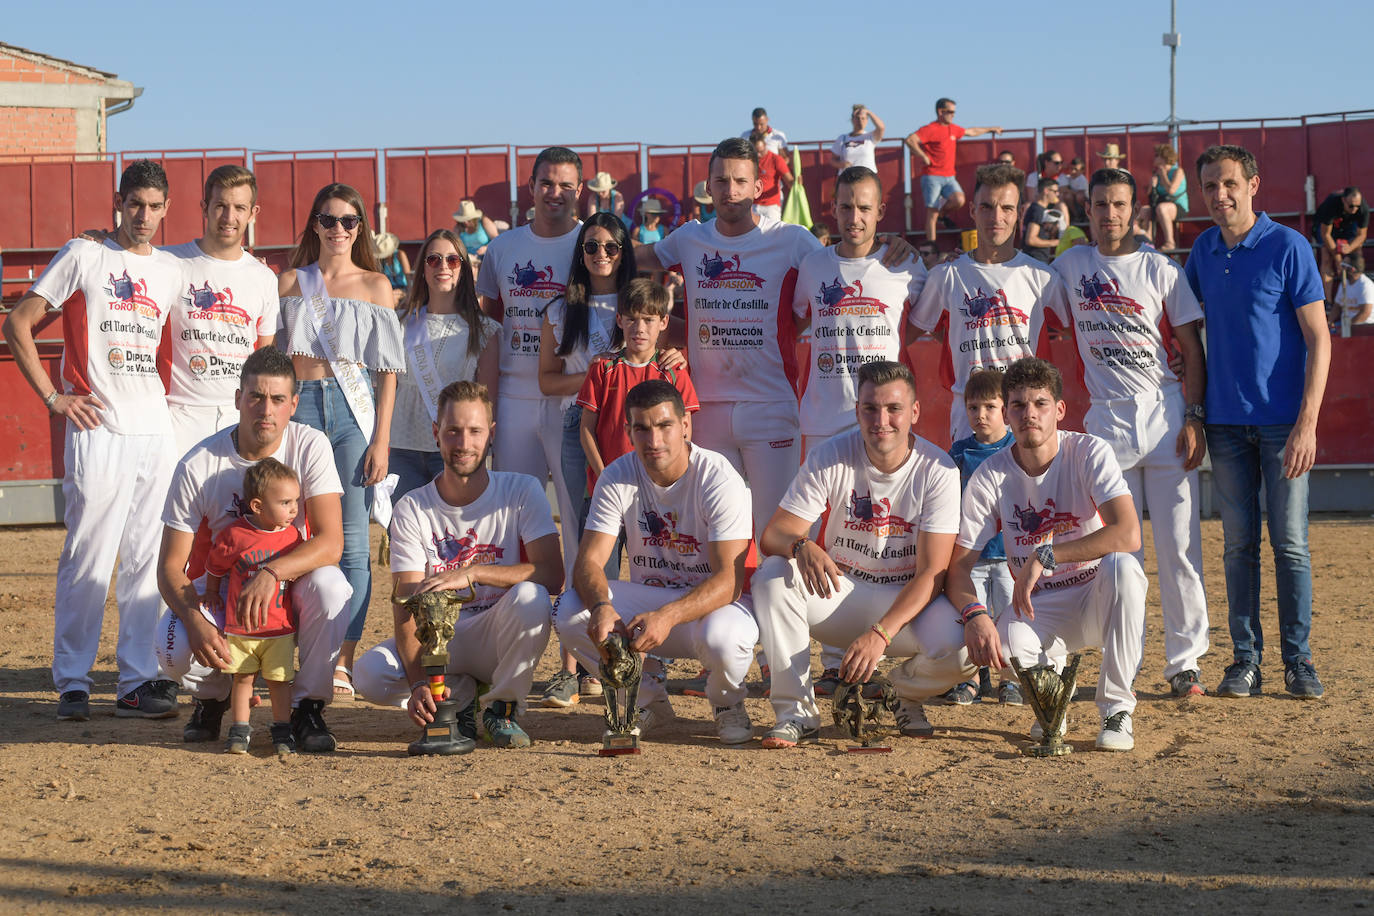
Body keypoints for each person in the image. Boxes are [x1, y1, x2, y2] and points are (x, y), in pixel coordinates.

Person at [3, 159, 185, 722]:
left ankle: (135, 680)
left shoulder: (173, 270)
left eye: (155, 207)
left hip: (156, 430)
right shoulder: (83, 255)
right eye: (136, 204)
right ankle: (73, 681)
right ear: (118, 201)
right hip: (96, 427)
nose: (145, 216)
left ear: (167, 208)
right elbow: (17, 321)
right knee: (88, 556)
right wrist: (54, 400)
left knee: (144, 560)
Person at [750, 360, 973, 746]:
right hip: (839, 594)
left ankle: (901, 693)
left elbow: (933, 573)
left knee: (966, 647)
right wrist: (801, 545)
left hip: (904, 605)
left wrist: (880, 634)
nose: (881, 420)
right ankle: (796, 712)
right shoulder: (830, 454)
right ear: (857, 411)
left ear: (914, 412)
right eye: (870, 408)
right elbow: (774, 534)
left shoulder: (938, 469)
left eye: (893, 409)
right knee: (772, 575)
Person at [1054, 166, 1211, 697]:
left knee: (1179, 547)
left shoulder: (1161, 270)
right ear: (1089, 210)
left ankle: (1185, 662)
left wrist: (1194, 416)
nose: (1111, 214)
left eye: (1120, 204)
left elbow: (1191, 349)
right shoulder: (1069, 266)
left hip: (1165, 417)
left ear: (1136, 211)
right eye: (1101, 204)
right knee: (1116, 555)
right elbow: (1019, 281)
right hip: (1106, 424)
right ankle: (1116, 663)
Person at [1184, 144, 1331, 700]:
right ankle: (1245, 661)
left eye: (1227, 184)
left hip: (1282, 426)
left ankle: (1299, 661)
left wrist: (1307, 423)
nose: (1218, 195)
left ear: (1252, 185)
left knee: (1290, 544)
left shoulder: (1288, 246)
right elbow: (1181, 329)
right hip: (1224, 425)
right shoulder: (1201, 250)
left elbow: (1320, 340)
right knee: (1239, 546)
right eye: (1209, 187)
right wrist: (1196, 414)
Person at [157, 346, 350, 752]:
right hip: (224, 588)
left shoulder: (310, 445)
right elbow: (170, 567)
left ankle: (306, 707)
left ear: (293, 404)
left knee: (333, 588)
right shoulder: (199, 464)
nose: (267, 409)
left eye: (278, 399)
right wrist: (195, 619)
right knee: (171, 643)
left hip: (287, 585)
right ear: (238, 399)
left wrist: (272, 572)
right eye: (256, 397)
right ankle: (212, 698)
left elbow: (332, 543)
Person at [948, 357, 1146, 751]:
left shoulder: (1088, 451)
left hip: (1095, 594)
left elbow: (1128, 533)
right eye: (1018, 405)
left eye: (1040, 403)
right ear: (1007, 413)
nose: (1029, 415)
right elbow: (958, 566)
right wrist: (976, 615)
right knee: (1001, 642)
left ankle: (1116, 709)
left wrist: (1049, 553)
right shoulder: (991, 474)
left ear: (1059, 410)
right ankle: (1053, 704)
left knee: (1124, 568)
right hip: (1038, 605)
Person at [353, 381, 561, 749]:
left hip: (498, 634)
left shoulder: (521, 490)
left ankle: (502, 708)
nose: (463, 443)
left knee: (532, 597)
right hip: (441, 641)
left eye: (474, 431)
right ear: (436, 433)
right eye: (452, 431)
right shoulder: (413, 507)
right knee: (368, 675)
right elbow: (405, 607)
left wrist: (473, 572)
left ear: (491, 434)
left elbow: (551, 574)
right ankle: (457, 698)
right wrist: (418, 682)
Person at [553, 380, 759, 745]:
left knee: (723, 638)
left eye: (664, 426)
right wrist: (601, 606)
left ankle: (727, 703)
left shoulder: (717, 476)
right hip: (650, 607)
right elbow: (589, 561)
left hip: (713, 608)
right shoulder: (618, 474)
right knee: (571, 609)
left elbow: (730, 581)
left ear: (685, 426)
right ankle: (647, 700)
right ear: (628, 431)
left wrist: (668, 616)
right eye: (642, 429)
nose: (654, 441)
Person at [278, 184, 402, 699]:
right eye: (327, 219)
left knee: (352, 539)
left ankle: (339, 660)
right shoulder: (290, 282)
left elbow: (388, 371)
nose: (338, 230)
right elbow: (275, 358)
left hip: (353, 417)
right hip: (300, 405)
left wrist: (382, 438)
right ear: (313, 224)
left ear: (361, 229)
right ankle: (284, 644)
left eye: (349, 221)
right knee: (292, 529)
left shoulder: (376, 286)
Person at [536, 213, 639, 707]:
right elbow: (547, 381)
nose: (601, 255)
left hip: (633, 428)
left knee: (638, 537)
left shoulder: (638, 304)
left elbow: (664, 350)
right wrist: (601, 381)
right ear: (580, 253)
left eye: (611, 247)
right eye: (591, 247)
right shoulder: (560, 310)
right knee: (582, 537)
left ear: (624, 251)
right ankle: (573, 666)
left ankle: (634, 653)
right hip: (577, 429)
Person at [475, 147, 583, 568]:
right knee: (511, 511)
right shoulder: (503, 248)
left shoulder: (592, 244)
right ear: (532, 186)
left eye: (565, 185)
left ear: (580, 190)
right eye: (546, 183)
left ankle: (579, 607)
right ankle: (511, 607)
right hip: (514, 398)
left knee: (577, 513)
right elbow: (491, 327)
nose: (555, 192)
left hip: (571, 400)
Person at [907, 163, 1068, 444]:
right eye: (987, 207)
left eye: (1007, 208)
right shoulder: (947, 275)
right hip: (970, 421)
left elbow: (1076, 331)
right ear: (972, 210)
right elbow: (914, 331)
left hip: (1029, 416)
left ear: (1018, 213)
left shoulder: (1042, 277)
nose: (997, 217)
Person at [794, 167, 927, 452]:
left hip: (886, 417)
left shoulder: (907, 265)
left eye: (864, 208)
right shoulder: (812, 266)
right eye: (846, 207)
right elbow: (793, 324)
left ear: (880, 211)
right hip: (824, 419)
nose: (855, 218)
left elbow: (922, 326)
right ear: (833, 209)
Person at [163, 164, 279, 456]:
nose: (229, 217)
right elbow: (124, 256)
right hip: (179, 417)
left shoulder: (264, 277)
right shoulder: (168, 263)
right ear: (204, 208)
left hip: (239, 416)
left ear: (253, 213)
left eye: (239, 207)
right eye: (220, 206)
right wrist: (102, 238)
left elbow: (264, 358)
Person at [390, 229, 500, 503]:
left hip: (457, 450)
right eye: (433, 259)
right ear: (423, 269)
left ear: (464, 268)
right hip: (403, 449)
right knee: (405, 538)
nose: (443, 266)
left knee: (453, 535)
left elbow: (488, 402)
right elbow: (386, 387)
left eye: (452, 260)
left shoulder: (484, 330)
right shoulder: (399, 322)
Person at [203, 457, 303, 755]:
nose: (294, 509)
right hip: (242, 628)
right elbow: (216, 567)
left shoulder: (293, 537)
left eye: (296, 500)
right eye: (285, 502)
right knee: (242, 678)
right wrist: (211, 593)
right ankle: (239, 730)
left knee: (280, 681)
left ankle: (283, 730)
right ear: (258, 506)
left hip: (278, 628)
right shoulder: (234, 535)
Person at [943, 369, 1019, 706]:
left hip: (1009, 556)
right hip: (969, 558)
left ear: (1005, 408)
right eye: (973, 408)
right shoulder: (959, 453)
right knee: (971, 618)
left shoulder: (1018, 448)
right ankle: (971, 680)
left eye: (989, 406)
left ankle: (1010, 680)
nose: (980, 415)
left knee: (1009, 617)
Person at [577, 278, 700, 487]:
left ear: (663, 322)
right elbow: (586, 430)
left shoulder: (674, 371)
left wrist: (667, 480)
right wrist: (605, 475)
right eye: (632, 319)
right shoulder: (603, 368)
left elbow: (685, 432)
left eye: (648, 319)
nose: (639, 328)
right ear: (619, 320)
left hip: (659, 485)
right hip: (610, 484)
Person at [905, 98, 1003, 242]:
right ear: (940, 112)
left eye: (954, 112)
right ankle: (931, 247)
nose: (953, 115)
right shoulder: (930, 129)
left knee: (959, 199)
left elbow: (971, 131)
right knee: (931, 212)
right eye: (950, 112)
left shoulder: (953, 128)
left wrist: (991, 129)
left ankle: (942, 215)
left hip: (949, 176)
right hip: (932, 176)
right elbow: (910, 140)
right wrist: (923, 156)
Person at [1313, 187, 1368, 303]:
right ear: (1343, 200)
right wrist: (1338, 259)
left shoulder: (1362, 208)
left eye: (1357, 206)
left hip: (1348, 226)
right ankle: (1327, 301)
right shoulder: (1331, 204)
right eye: (1351, 206)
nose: (1355, 209)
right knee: (1326, 257)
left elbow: (1361, 236)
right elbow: (1326, 234)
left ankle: (1359, 296)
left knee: (1357, 255)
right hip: (1327, 227)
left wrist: (1349, 248)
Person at [1135, 145, 1188, 252]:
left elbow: (1171, 190)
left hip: (1177, 206)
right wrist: (1152, 185)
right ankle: (1147, 241)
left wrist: (1163, 175)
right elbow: (1150, 195)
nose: (1154, 158)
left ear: (1164, 157)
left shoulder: (1178, 171)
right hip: (1160, 206)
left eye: (1156, 156)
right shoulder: (1157, 174)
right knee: (1145, 210)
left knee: (1162, 208)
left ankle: (1170, 242)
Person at [752, 130, 794, 222]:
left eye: (761, 151)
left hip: (771, 206)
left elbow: (790, 181)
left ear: (765, 145)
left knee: (773, 234)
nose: (758, 155)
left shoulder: (776, 159)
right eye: (756, 152)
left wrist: (797, 186)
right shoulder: (749, 161)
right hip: (753, 205)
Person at [830, 105, 886, 174]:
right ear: (852, 120)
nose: (860, 121)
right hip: (848, 178)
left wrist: (868, 112)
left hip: (867, 177)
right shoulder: (843, 138)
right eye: (857, 118)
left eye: (863, 118)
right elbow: (832, 160)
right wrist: (842, 164)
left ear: (867, 120)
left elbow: (881, 128)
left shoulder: (870, 136)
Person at [1021, 177, 1062, 264]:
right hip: (1035, 259)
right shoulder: (1038, 211)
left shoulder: (1038, 209)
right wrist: (1054, 242)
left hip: (1036, 259)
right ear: (1046, 191)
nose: (1057, 194)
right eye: (1055, 191)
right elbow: (1031, 239)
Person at [1334, 254, 1374, 334]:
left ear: (1352, 269)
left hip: (1364, 327)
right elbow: (1336, 306)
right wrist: (1329, 322)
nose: (1341, 268)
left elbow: (1365, 313)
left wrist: (1346, 327)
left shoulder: (1366, 285)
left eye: (1343, 265)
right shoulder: (1344, 284)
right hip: (1347, 325)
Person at [375, 231, 411, 306]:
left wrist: (410, 292)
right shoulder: (382, 260)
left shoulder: (400, 255)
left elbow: (408, 275)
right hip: (388, 289)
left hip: (403, 288)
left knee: (391, 297)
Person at [1057, 156, 1089, 222]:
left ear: (1082, 171)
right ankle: (1076, 216)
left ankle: (1086, 214)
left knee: (1079, 196)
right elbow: (1062, 189)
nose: (1073, 171)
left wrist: (1067, 190)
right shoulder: (1068, 177)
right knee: (1067, 196)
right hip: (1074, 203)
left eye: (1076, 169)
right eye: (1071, 169)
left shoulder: (1082, 179)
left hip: (1083, 203)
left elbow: (1081, 194)